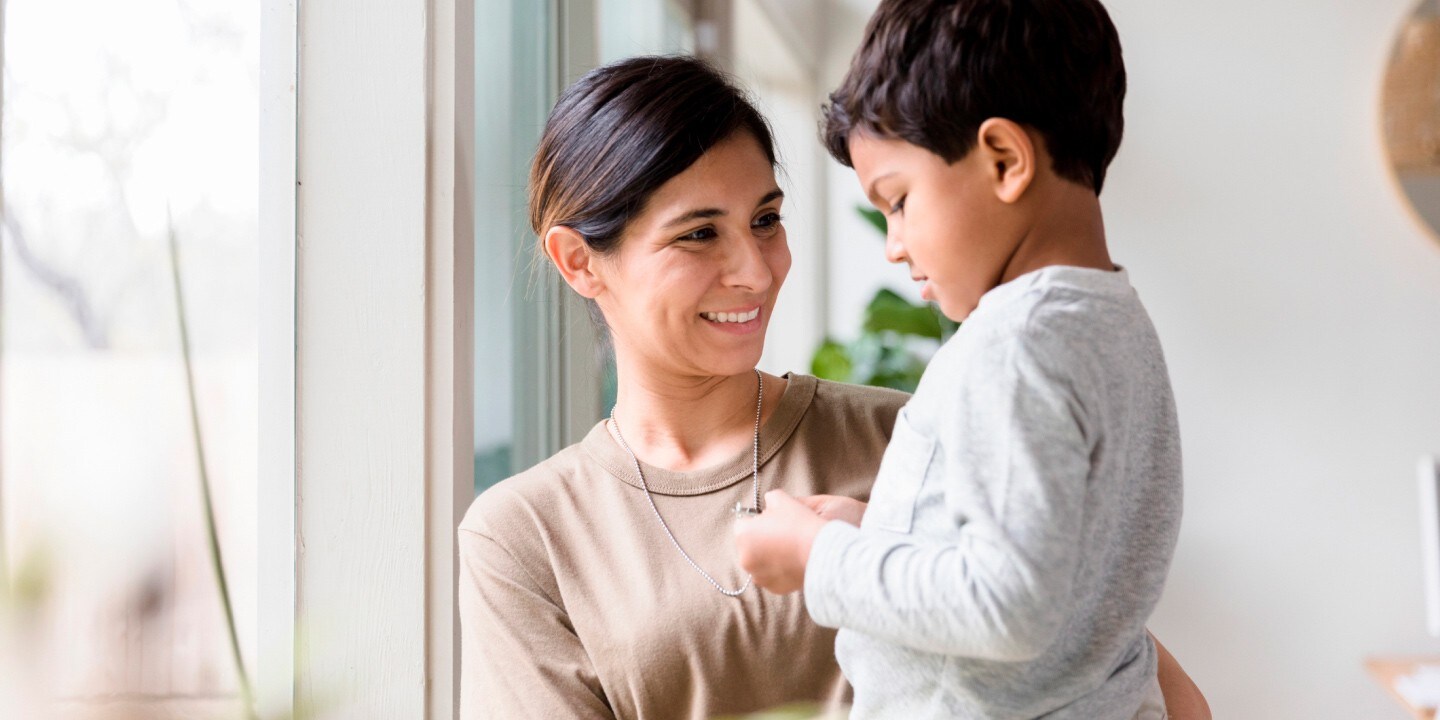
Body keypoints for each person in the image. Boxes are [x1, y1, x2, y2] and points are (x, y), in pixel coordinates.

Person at [459, 54, 1207, 720]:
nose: (754, 270)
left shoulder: (904, 436)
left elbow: (1135, 680)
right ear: (580, 262)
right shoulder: (524, 538)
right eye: (698, 233)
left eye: (765, 219)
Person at [733, 1, 1185, 718]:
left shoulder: (1012, 345)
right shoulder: (1112, 324)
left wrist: (818, 556)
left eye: (899, 201)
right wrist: (881, 531)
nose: (895, 243)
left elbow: (1007, 605)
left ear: (1004, 160)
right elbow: (1052, 560)